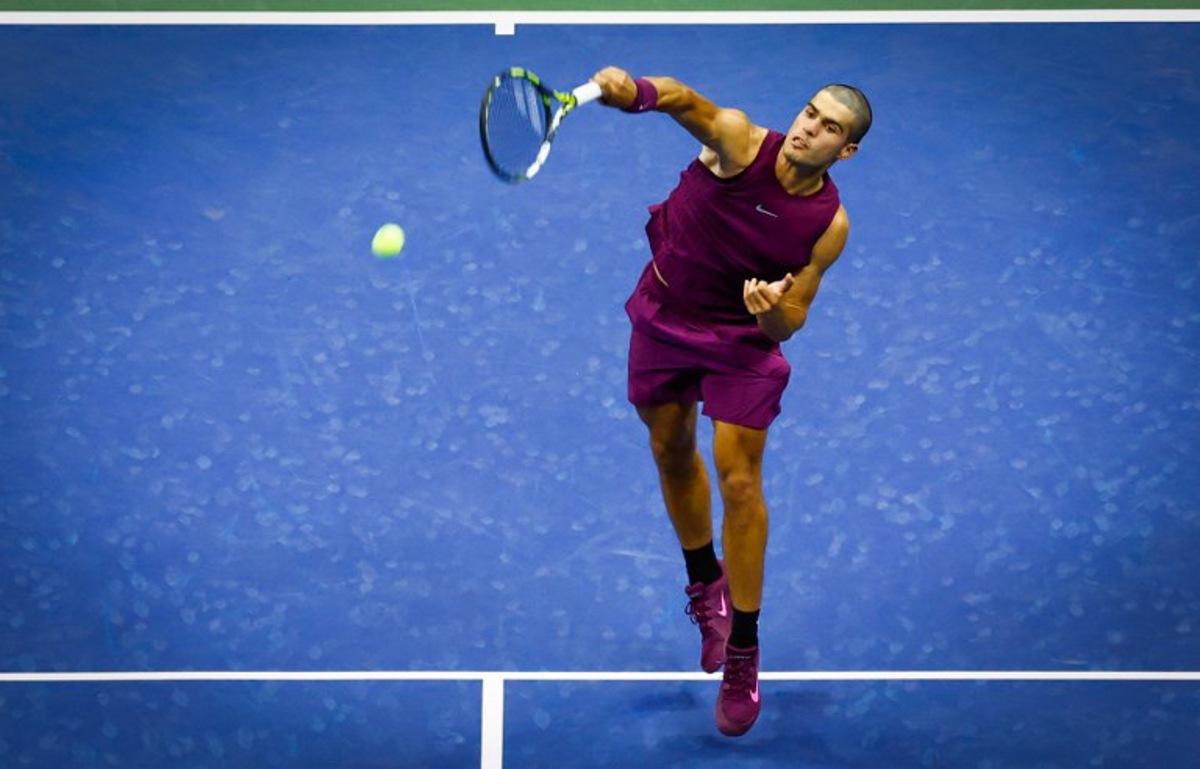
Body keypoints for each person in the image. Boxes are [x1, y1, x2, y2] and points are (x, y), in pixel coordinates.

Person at [590, 66, 871, 737]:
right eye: (809, 112)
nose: (810, 127)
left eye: (829, 126)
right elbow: (687, 101)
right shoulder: (741, 141)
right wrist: (638, 92)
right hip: (665, 312)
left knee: (740, 480)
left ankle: (743, 649)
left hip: (740, 341)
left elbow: (792, 318)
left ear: (846, 150)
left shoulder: (829, 226)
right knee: (669, 448)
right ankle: (702, 584)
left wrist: (770, 313)